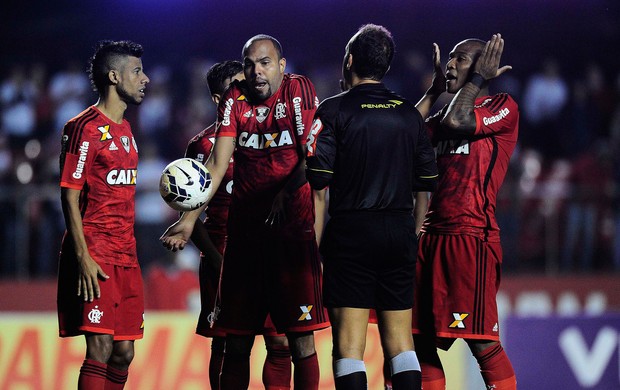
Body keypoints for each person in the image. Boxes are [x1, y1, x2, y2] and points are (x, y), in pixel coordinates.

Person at [161, 34, 329, 390]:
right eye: (250, 64)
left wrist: (285, 192)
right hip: (245, 242)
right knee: (235, 342)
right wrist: (188, 219)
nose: (256, 71)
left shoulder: (298, 90)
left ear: (282, 66)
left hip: (291, 238)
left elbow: (310, 156)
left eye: (265, 62)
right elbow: (217, 164)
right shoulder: (234, 101)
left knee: (297, 340)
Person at [305, 24, 438, 390]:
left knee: (349, 348)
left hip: (351, 236)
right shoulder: (409, 114)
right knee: (401, 345)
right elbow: (426, 184)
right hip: (398, 233)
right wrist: (410, 233)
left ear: (349, 61)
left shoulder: (332, 110)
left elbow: (318, 180)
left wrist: (314, 248)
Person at [412, 33, 518, 389]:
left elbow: (459, 121)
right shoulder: (441, 113)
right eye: (451, 58)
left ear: (481, 67)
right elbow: (404, 136)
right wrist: (431, 92)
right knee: (419, 340)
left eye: (460, 59)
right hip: (430, 240)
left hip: (471, 239)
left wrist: (477, 81)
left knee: (481, 342)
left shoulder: (502, 107)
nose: (451, 64)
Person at [184, 60, 292, 389]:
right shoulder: (201, 146)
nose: (246, 90)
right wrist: (218, 261)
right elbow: (188, 213)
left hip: (270, 249)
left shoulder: (274, 132)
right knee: (228, 343)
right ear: (219, 100)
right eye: (237, 85)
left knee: (280, 342)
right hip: (222, 248)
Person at [57, 40, 149, 389]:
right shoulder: (83, 126)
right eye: (137, 71)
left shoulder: (126, 130)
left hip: (127, 253)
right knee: (100, 346)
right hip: (95, 252)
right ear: (114, 76)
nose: (146, 79)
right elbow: (69, 192)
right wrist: (82, 255)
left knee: (124, 351)